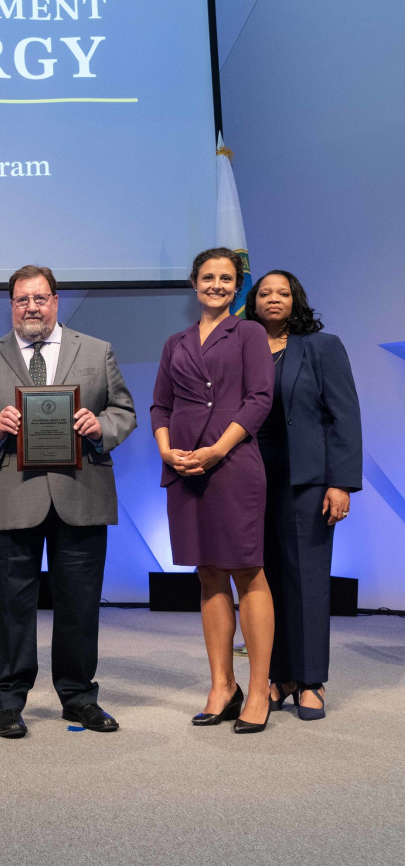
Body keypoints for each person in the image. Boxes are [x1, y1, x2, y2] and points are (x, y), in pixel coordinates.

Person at [0, 265, 137, 739]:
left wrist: (101, 427)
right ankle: (8, 701)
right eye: (22, 300)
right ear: (11, 306)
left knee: (80, 605)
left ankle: (79, 698)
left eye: (40, 298)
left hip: (81, 492)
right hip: (13, 494)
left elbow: (123, 410)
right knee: (11, 606)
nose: (31, 307)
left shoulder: (96, 350)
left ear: (55, 301)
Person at [151, 248, 275, 733]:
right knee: (207, 573)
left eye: (226, 278)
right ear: (194, 283)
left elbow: (259, 399)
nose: (217, 285)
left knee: (247, 570)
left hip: (234, 464)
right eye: (208, 277)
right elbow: (160, 406)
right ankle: (223, 685)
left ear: (237, 286)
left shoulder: (249, 333)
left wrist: (217, 450)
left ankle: (259, 689)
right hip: (185, 468)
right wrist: (167, 451)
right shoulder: (175, 341)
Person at [247, 270, 362, 721]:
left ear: (296, 300)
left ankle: (311, 679)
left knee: (307, 580)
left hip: (308, 480)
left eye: (283, 292)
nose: (273, 299)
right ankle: (281, 677)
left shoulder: (322, 347)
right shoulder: (242, 347)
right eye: (265, 293)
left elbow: (344, 416)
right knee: (265, 580)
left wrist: (341, 482)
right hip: (251, 479)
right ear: (253, 301)